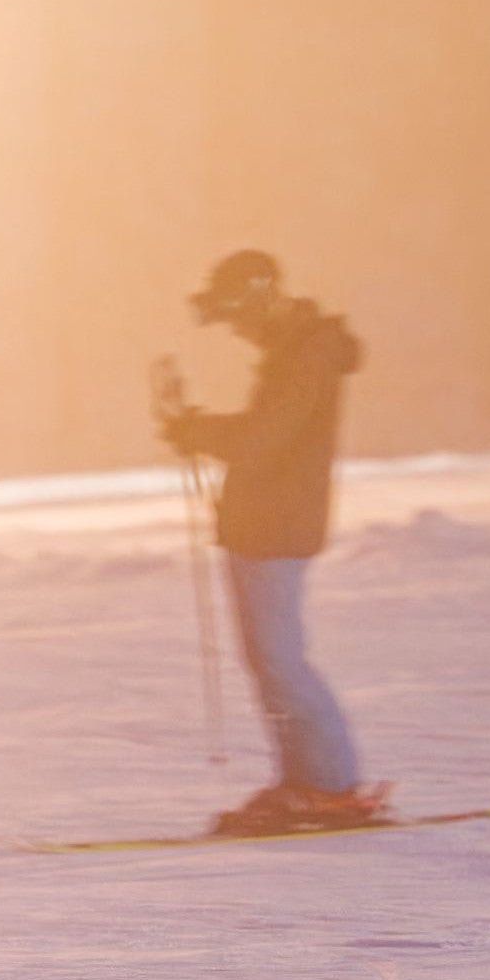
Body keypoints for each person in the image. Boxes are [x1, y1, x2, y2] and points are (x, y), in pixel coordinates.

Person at [157, 249, 384, 835]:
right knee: (271, 660)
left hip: (275, 525)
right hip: (266, 520)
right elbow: (269, 435)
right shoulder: (298, 352)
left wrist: (198, 430)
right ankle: (306, 781)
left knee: (280, 661)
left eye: (237, 318)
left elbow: (267, 438)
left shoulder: (306, 355)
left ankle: (329, 785)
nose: (237, 331)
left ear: (261, 301)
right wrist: (201, 429)